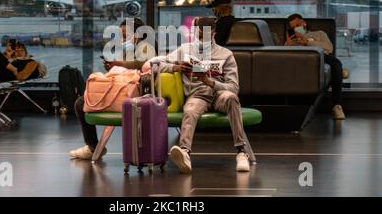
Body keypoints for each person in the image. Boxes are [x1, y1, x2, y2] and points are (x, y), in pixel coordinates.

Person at [152, 17, 255, 173]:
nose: (202, 40)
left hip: (220, 94)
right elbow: (154, 65)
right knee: (190, 111)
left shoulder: (226, 54)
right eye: (200, 36)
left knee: (231, 98)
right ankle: (185, 152)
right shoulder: (185, 50)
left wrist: (210, 82)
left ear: (214, 33)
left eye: (206, 36)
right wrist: (176, 67)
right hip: (197, 95)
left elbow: (233, 88)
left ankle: (241, 152)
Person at [69, 18, 155, 160]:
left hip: (129, 92)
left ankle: (92, 146)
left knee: (80, 104)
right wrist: (113, 66)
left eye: (125, 34)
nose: (123, 38)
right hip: (120, 87)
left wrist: (118, 63)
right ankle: (92, 145)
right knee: (80, 102)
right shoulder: (131, 48)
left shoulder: (147, 47)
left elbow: (141, 64)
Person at [285, 13, 345, 120]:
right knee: (336, 68)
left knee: (336, 63)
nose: (296, 28)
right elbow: (283, 57)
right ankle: (339, 72)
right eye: (293, 27)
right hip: (301, 60)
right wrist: (287, 45)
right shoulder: (292, 41)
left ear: (304, 23)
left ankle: (337, 105)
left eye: (298, 25)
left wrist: (307, 42)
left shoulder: (319, 34)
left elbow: (329, 48)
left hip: (321, 57)